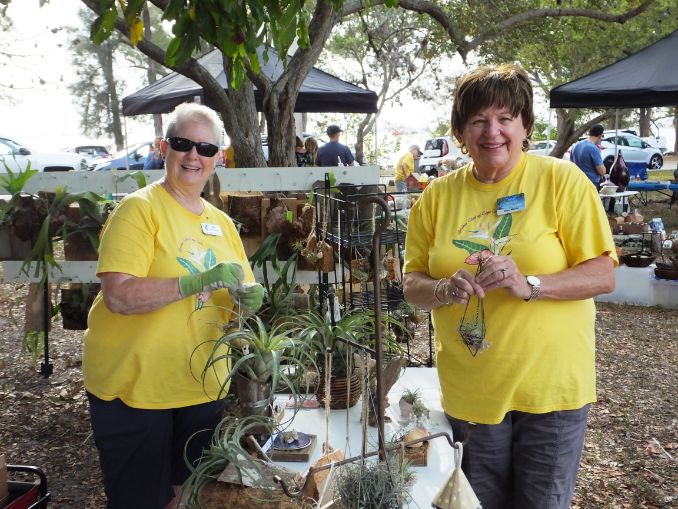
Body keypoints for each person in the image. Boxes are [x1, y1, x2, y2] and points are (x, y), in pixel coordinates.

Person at [402, 63, 617, 509]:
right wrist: (444, 289)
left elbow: (602, 273)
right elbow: (411, 283)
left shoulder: (561, 181)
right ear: (460, 131)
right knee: (477, 503)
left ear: (525, 127)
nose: (492, 132)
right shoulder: (435, 198)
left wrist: (530, 283)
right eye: (478, 120)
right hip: (472, 390)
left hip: (550, 390)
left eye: (505, 119)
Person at [83, 103, 264, 509]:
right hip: (135, 389)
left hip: (200, 386)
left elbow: (237, 297)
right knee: (140, 501)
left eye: (205, 147)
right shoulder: (140, 209)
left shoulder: (220, 222)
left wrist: (248, 300)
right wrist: (196, 281)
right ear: (164, 147)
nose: (193, 155)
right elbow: (119, 296)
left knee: (189, 497)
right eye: (183, 143)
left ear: (219, 158)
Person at [571, 124, 607, 189]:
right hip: (590, 183)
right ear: (600, 135)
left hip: (576, 182)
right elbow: (602, 172)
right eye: (602, 136)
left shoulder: (576, 146)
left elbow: (571, 164)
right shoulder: (593, 148)